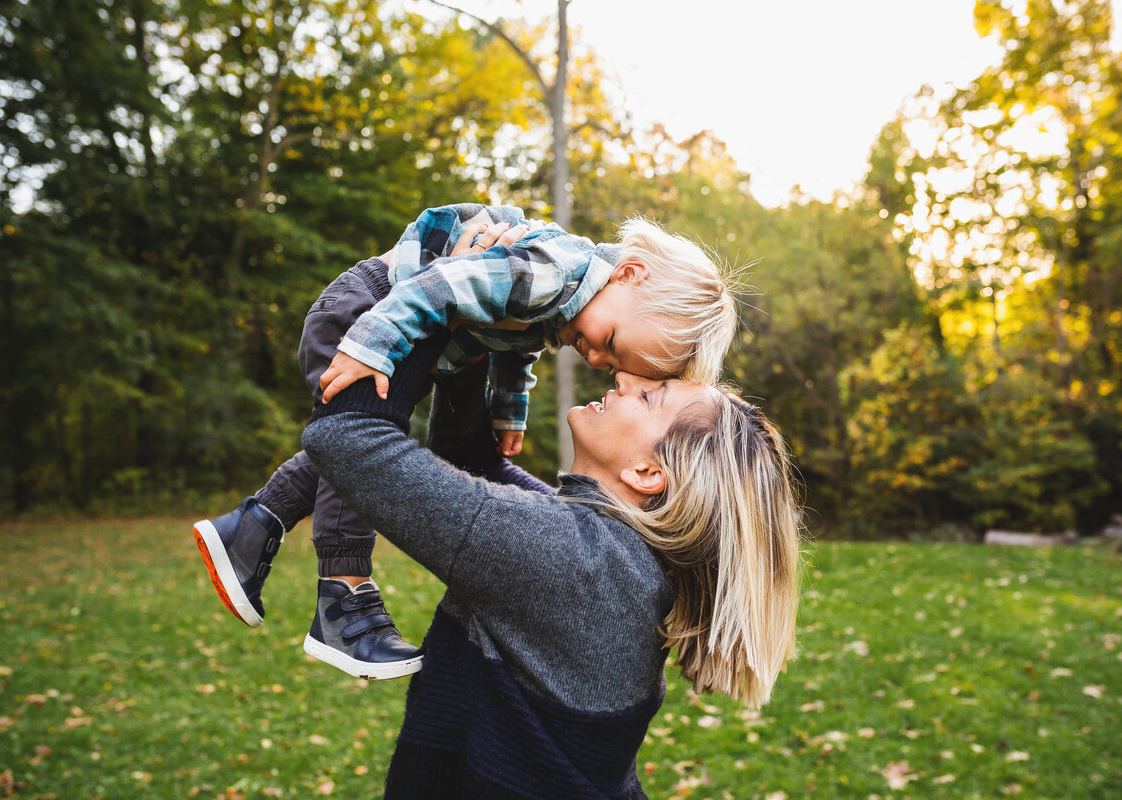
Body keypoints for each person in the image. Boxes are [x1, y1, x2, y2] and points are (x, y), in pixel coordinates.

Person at [193, 205, 739, 682]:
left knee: (365, 445)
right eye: (612, 345)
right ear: (631, 274)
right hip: (376, 313)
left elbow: (516, 344)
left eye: (614, 362)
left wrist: (507, 409)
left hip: (404, 328)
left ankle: (254, 524)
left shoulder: (570, 297)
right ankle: (342, 590)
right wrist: (373, 342)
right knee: (362, 445)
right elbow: (443, 287)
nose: (599, 363)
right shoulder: (553, 272)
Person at [300, 314, 803, 797]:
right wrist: (476, 340)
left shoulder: (574, 559)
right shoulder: (612, 556)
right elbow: (471, 464)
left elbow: (344, 436)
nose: (626, 377)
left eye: (650, 396)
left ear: (648, 473)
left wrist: (435, 315)